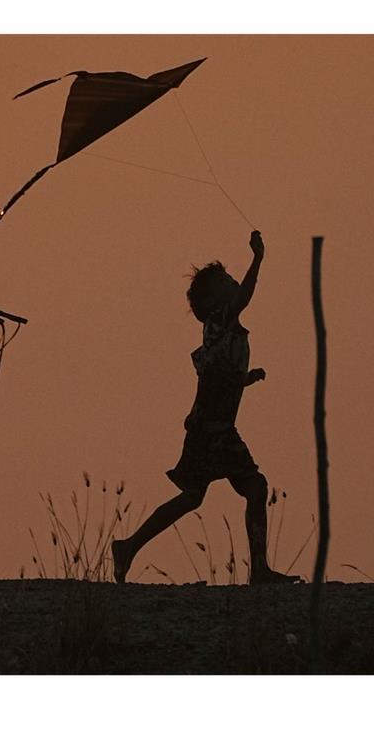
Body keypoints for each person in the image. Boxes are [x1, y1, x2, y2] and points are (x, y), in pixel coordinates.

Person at [111, 229, 300, 585]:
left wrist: (247, 379)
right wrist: (258, 258)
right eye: (226, 280)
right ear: (214, 301)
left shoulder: (224, 332)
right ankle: (130, 547)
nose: (233, 282)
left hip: (216, 429)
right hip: (210, 430)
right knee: (229, 491)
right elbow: (244, 297)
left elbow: (218, 376)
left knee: (224, 491)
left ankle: (130, 546)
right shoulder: (221, 320)